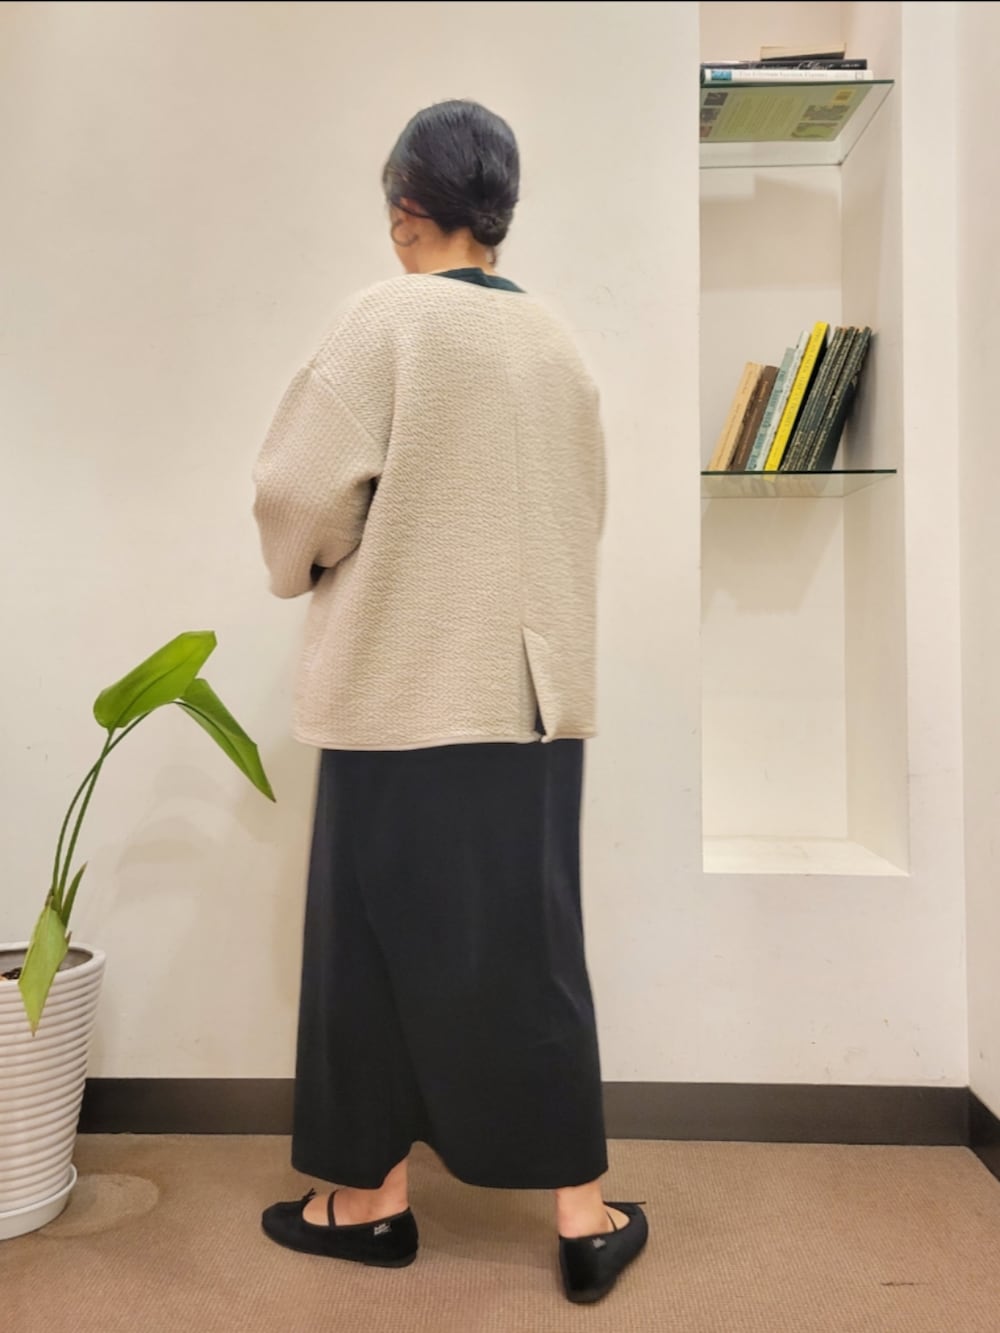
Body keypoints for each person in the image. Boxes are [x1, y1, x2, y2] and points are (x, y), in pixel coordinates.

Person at [253, 99, 647, 1305]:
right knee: (536, 950)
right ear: (501, 211)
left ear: (404, 207)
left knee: (368, 950)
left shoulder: (384, 322)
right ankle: (583, 1217)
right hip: (531, 698)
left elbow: (297, 498)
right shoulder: (558, 344)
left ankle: (370, 1204)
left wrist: (310, 566)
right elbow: (582, 511)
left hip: (400, 690)